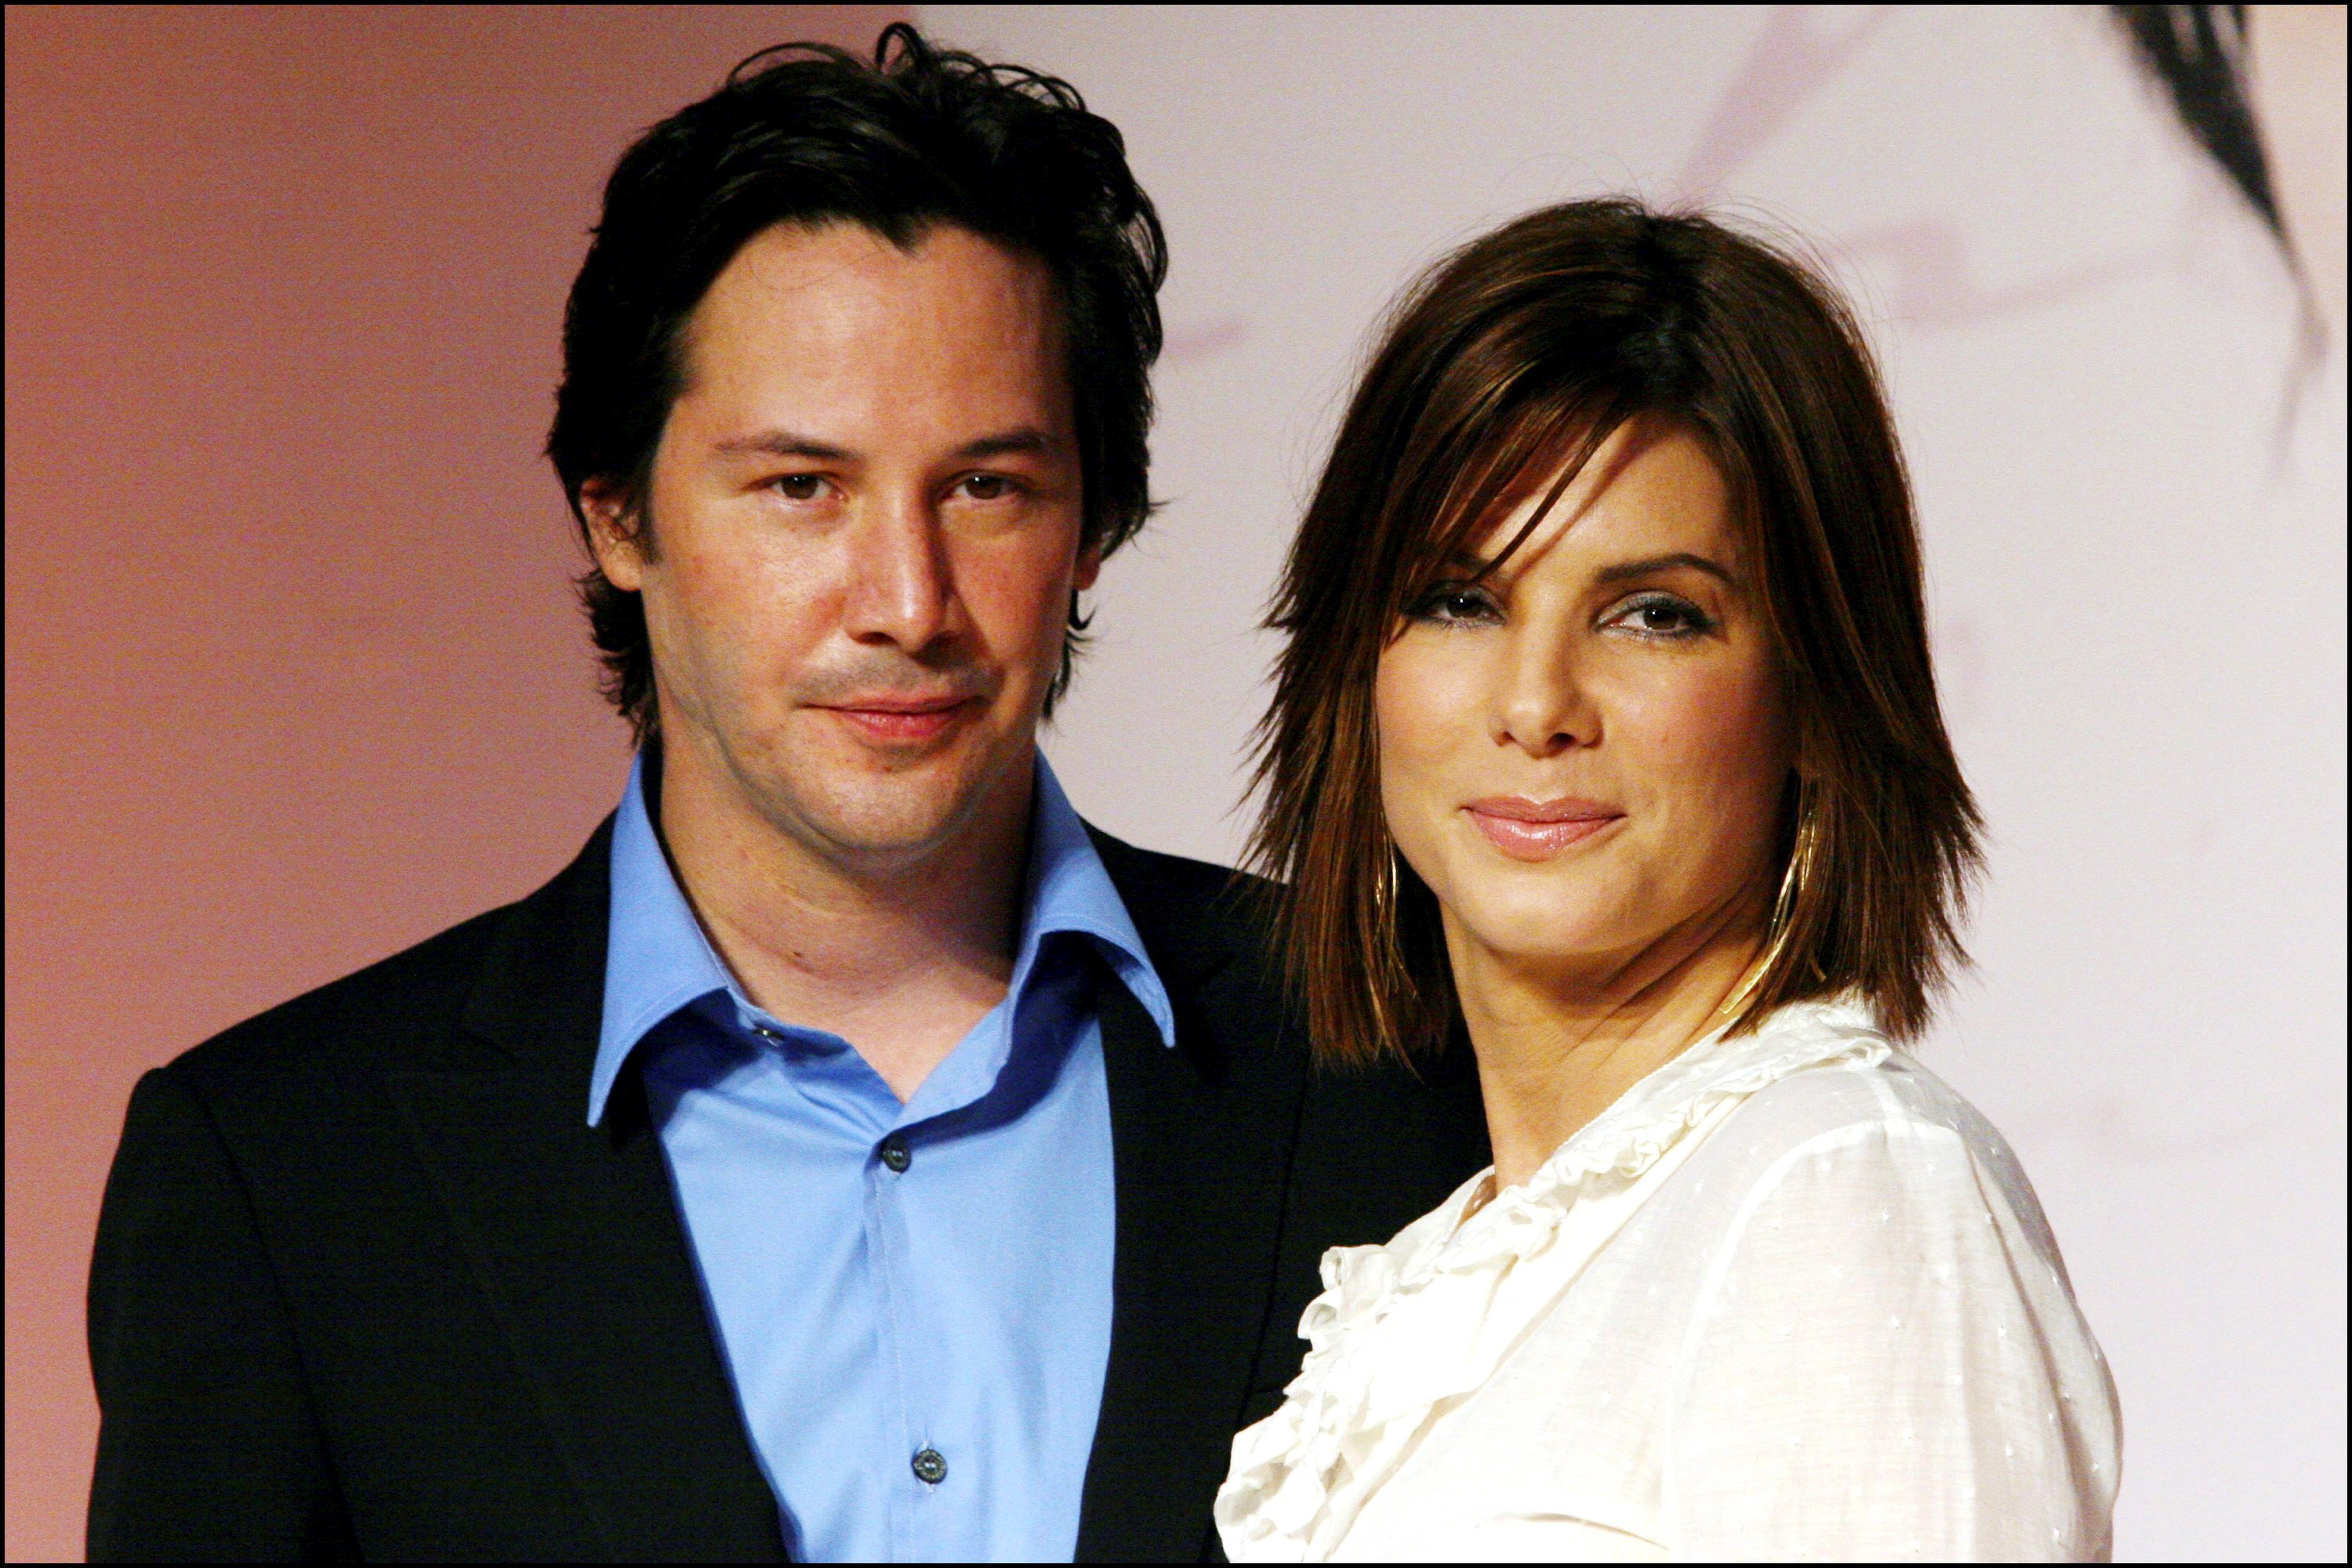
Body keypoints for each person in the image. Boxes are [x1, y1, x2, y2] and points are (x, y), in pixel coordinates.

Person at [84, 27, 1488, 1563]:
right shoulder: (292, 1173)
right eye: (800, 487)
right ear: (618, 514)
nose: (904, 599)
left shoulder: (1405, 1051)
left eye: (987, 486)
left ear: (1095, 526)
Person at [1216, 198, 2121, 1561]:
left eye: (1655, 615)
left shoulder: (1845, 1192)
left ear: (1816, 689)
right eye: (1461, 599)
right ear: (1362, 661)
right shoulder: (1466, 1267)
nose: (1535, 705)